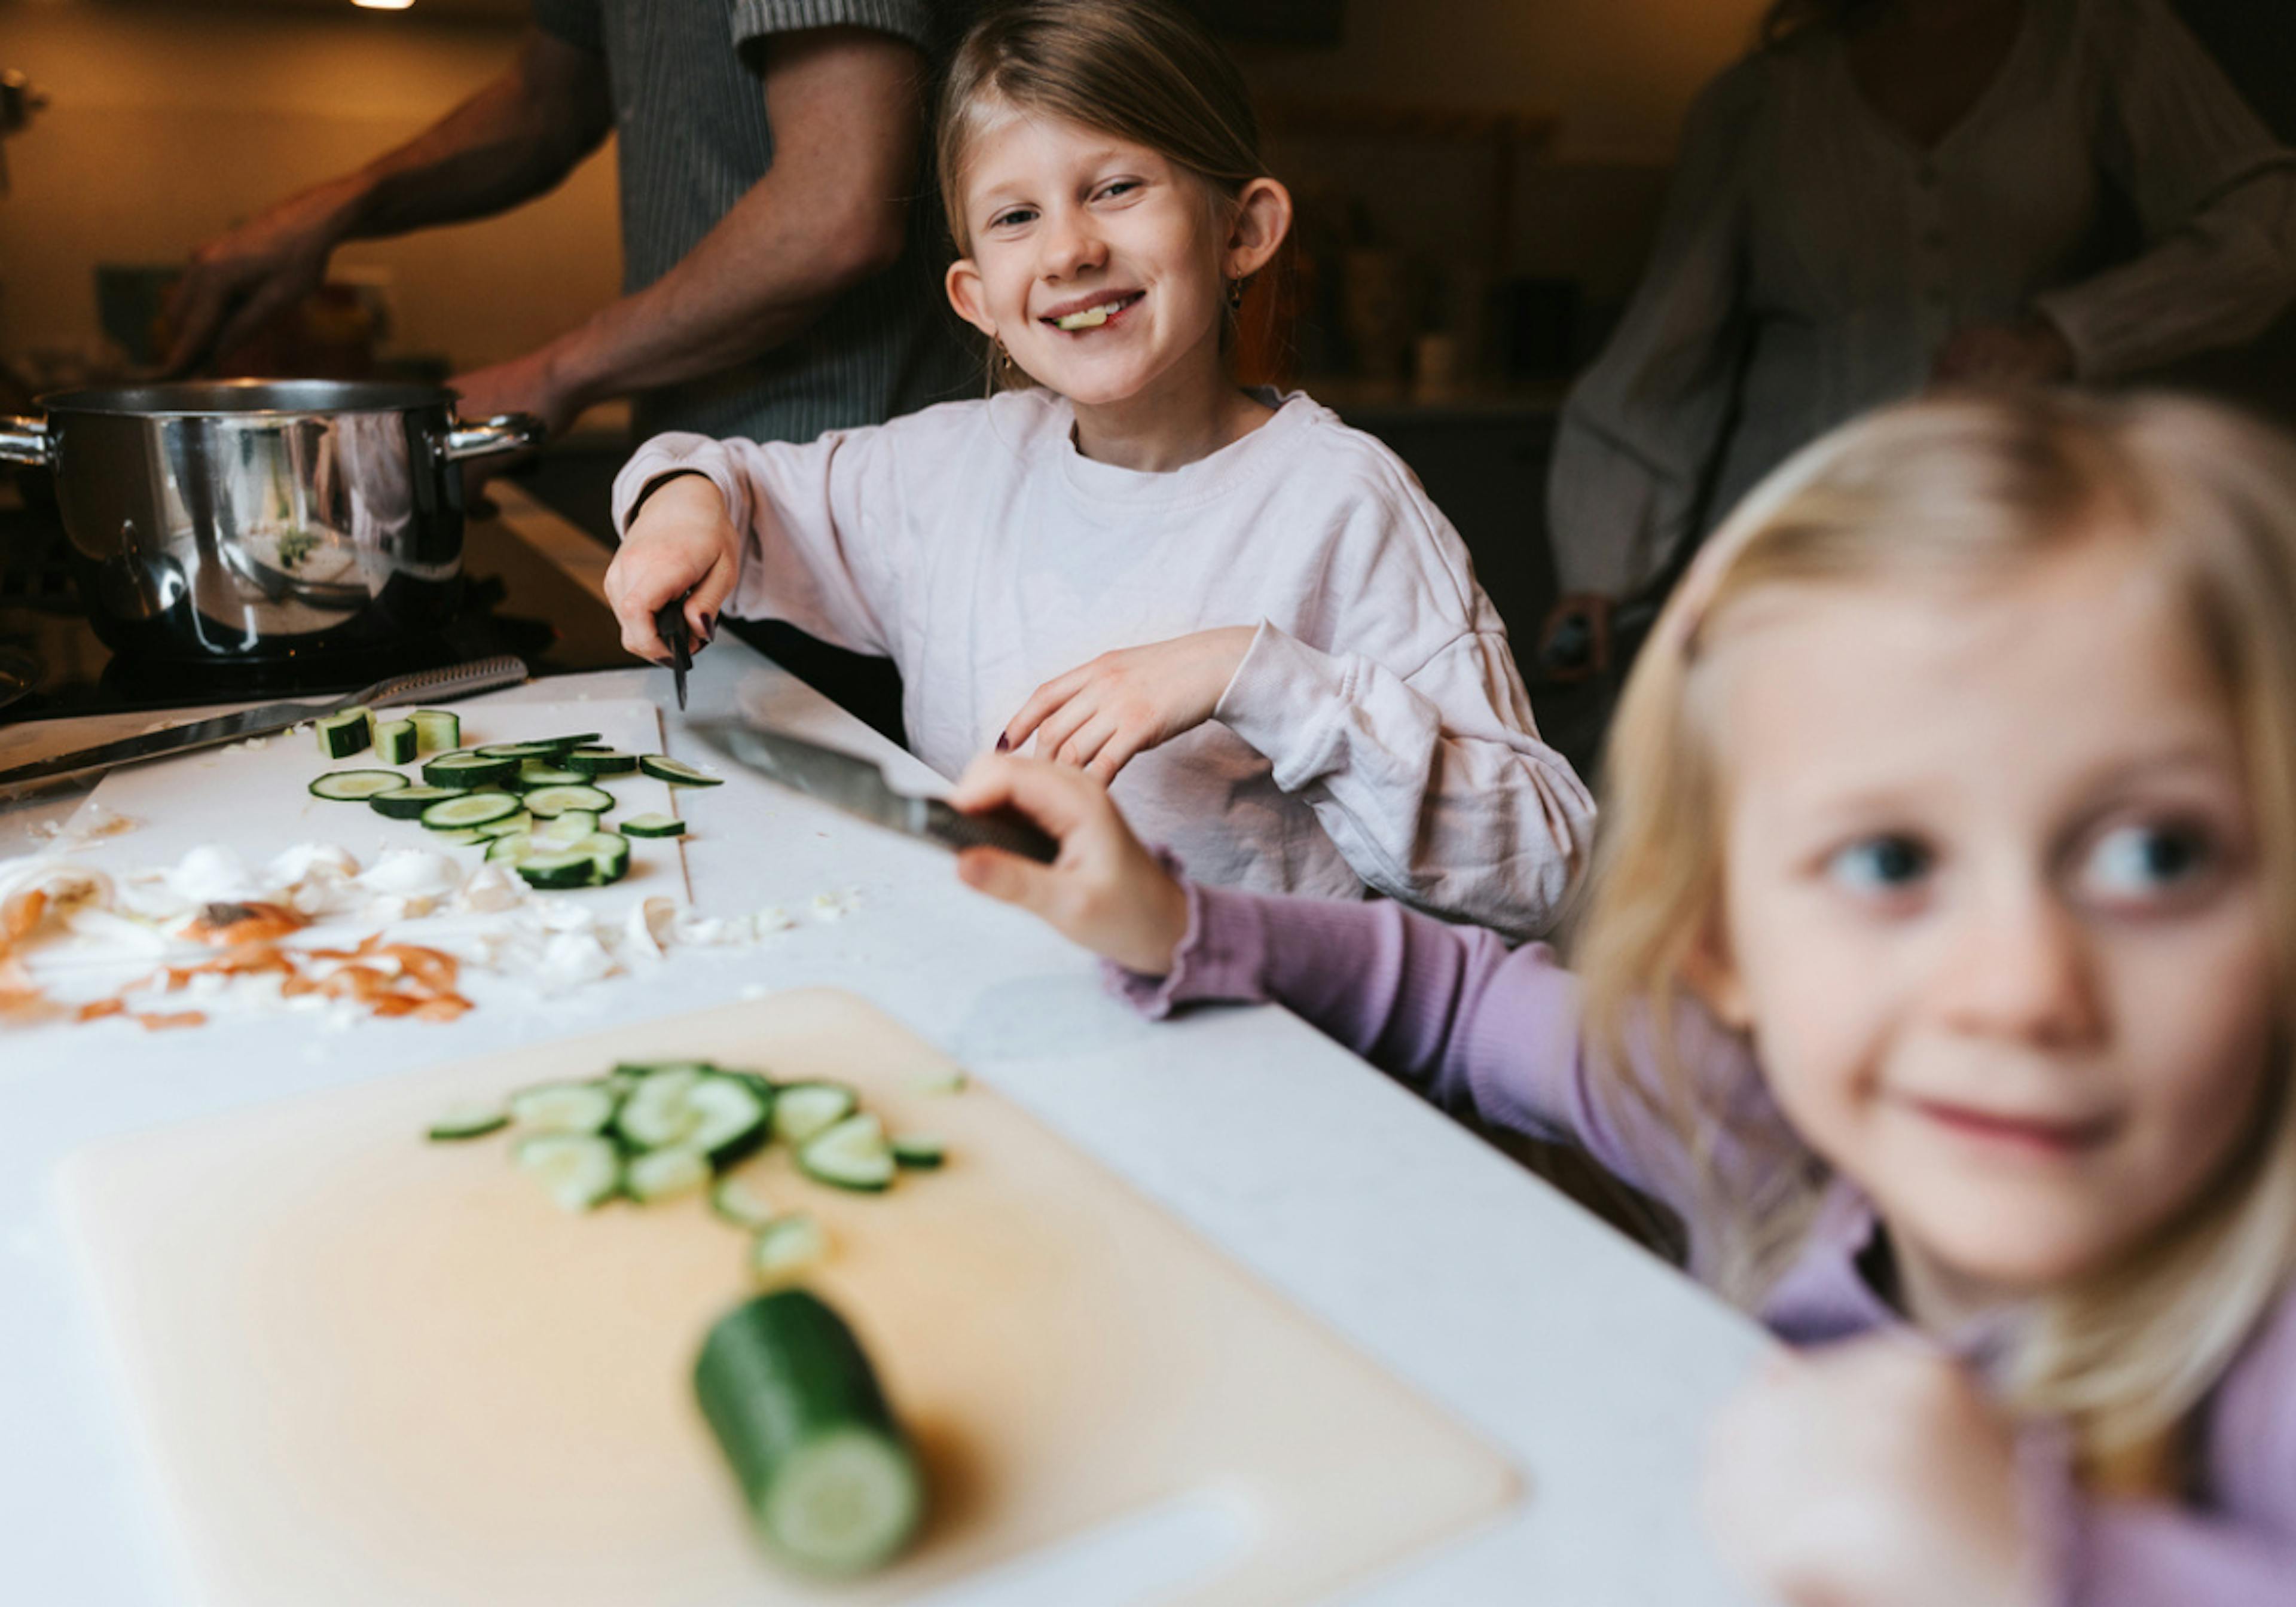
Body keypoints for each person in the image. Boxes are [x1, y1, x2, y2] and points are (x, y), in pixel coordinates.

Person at [951, 389, 2296, 1604]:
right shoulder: (1746, 1117)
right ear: (1720, 941)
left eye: (2153, 858)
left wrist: (2041, 1564)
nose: (2020, 991)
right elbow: (1462, 1002)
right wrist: (1181, 922)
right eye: (1891, 862)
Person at [603, 0, 1594, 938]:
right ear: (977, 296)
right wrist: (682, 508)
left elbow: (1548, 862)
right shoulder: (956, 468)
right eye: (1015, 218)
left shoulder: (1342, 502)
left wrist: (1250, 673)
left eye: (1116, 188)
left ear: (1241, 230)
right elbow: (718, 475)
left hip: (1247, 1043)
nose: (1070, 249)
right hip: (1002, 1011)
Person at [1539, 0, 2296, 680]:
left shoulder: (2106, 39)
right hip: (1800, 529)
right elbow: (1668, 346)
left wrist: (2066, 333)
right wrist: (1599, 571)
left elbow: (2264, 230)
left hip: (2019, 516)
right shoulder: (1761, 98)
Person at [164, 4, 970, 448]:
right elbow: (543, 106)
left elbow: (835, 215)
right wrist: (336, 207)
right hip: (702, 468)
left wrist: (547, 378)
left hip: (858, 497)